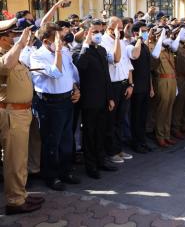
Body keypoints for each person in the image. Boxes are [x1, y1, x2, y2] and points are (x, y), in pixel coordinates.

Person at [30, 23, 81, 191]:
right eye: (57, 38)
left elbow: (69, 74)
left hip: (67, 101)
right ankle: (51, 176)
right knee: (52, 141)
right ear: (46, 41)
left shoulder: (64, 52)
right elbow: (56, 73)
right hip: (50, 103)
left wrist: (75, 89)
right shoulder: (37, 56)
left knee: (66, 139)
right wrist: (58, 51)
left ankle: (65, 171)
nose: (61, 41)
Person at [0, 21, 44, 215]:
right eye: (12, 35)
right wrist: (20, 44)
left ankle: (21, 193)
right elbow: (6, 66)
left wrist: (20, 45)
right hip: (12, 114)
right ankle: (15, 201)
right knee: (14, 160)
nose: (15, 38)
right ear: (2, 38)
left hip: (22, 113)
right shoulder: (5, 56)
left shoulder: (13, 54)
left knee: (21, 158)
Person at [76, 20, 118, 179]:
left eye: (100, 31)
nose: (98, 34)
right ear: (86, 33)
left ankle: (102, 160)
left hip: (103, 98)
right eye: (94, 32)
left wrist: (110, 97)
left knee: (101, 131)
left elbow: (106, 76)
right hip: (89, 100)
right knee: (89, 133)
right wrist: (85, 45)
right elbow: (80, 67)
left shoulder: (101, 50)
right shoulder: (81, 49)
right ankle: (91, 165)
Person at [100, 17, 139, 163]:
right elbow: (115, 59)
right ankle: (111, 151)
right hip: (112, 85)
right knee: (111, 120)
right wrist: (117, 38)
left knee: (120, 119)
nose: (121, 31)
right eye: (118, 28)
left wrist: (130, 84)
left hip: (124, 84)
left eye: (122, 28)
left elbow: (128, 64)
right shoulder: (103, 42)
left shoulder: (122, 41)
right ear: (109, 28)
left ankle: (118, 148)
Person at [149, 27, 177, 148]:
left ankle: (166, 134)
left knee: (169, 108)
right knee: (162, 109)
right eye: (164, 34)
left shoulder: (168, 49)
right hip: (161, 80)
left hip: (172, 80)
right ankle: (160, 135)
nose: (167, 36)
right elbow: (152, 67)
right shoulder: (155, 48)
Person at [130, 21, 154, 153]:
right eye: (143, 31)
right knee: (136, 116)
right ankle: (136, 143)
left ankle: (143, 141)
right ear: (136, 33)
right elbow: (134, 60)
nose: (146, 33)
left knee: (143, 116)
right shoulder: (134, 46)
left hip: (145, 86)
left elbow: (148, 69)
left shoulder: (144, 47)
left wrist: (151, 87)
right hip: (137, 88)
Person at [171, 26, 185, 138]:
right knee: (179, 105)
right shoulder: (175, 47)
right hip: (179, 78)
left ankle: (182, 124)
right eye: (183, 33)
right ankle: (175, 127)